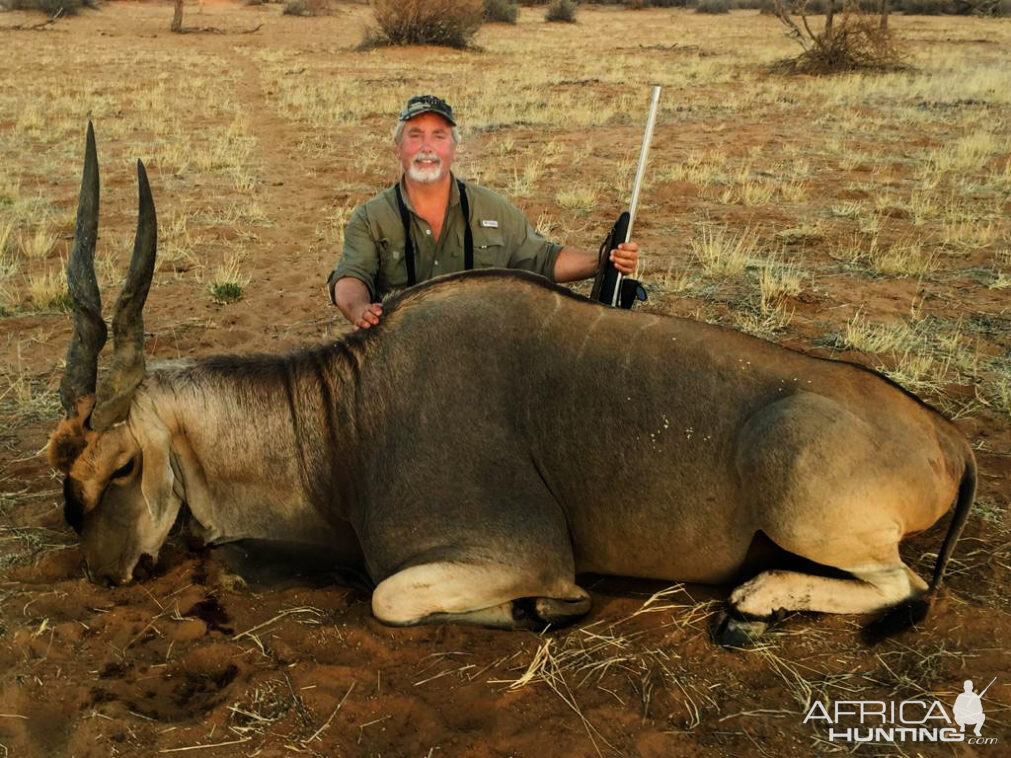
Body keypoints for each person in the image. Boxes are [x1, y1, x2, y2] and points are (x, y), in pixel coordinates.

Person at [328, 95, 640, 329]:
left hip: (482, 348)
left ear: (453, 149)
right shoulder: (370, 218)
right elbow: (351, 276)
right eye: (415, 135)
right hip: (403, 350)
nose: (427, 146)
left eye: (439, 136)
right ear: (398, 148)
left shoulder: (492, 208)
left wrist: (603, 260)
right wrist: (358, 308)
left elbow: (542, 260)